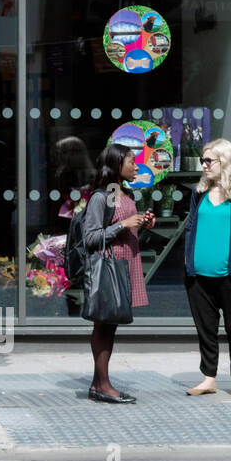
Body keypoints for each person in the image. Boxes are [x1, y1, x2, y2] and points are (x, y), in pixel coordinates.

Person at [183, 139, 231, 400]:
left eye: (208, 161)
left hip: (230, 274)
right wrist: (187, 261)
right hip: (198, 275)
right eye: (203, 161)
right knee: (206, 329)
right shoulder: (199, 192)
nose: (204, 165)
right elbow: (191, 226)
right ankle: (209, 378)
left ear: (225, 162)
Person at [82, 144, 155, 404]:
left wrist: (141, 223)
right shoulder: (102, 196)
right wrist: (124, 224)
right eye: (131, 161)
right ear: (116, 165)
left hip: (123, 267)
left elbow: (120, 225)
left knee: (109, 326)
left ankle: (97, 384)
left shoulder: (119, 192)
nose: (136, 166)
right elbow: (90, 237)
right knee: (104, 325)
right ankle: (103, 385)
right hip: (111, 269)